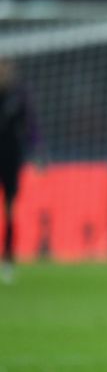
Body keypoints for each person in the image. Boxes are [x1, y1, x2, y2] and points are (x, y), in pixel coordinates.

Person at [0, 59, 34, 284]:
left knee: (10, 208)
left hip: (11, 157)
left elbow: (31, 126)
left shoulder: (19, 95)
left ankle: (8, 258)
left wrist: (36, 150)